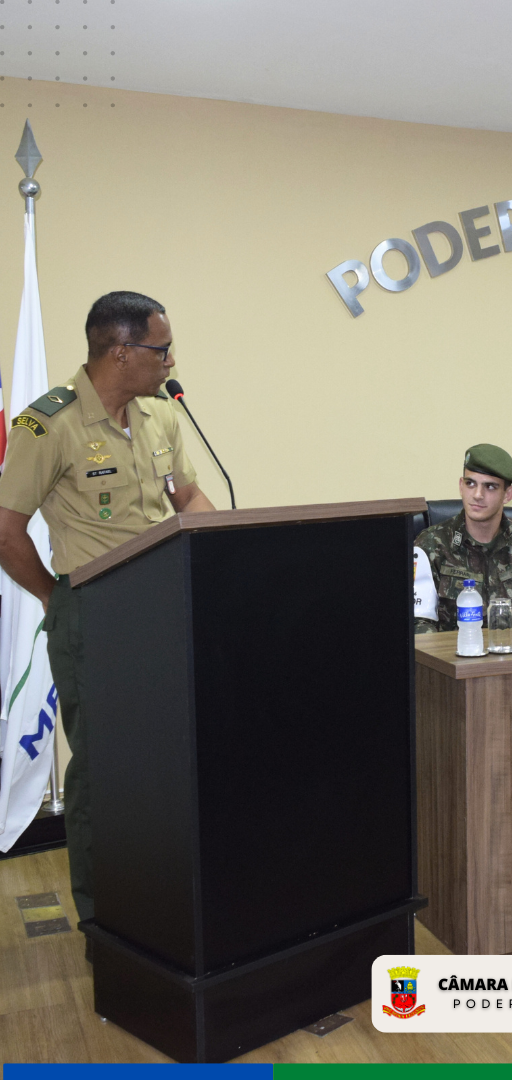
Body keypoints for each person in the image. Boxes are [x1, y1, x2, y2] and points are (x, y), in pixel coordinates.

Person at [0, 291, 215, 942]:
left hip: (166, 610)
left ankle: (171, 897)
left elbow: (188, 498)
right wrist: (56, 596)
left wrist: (225, 547)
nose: (170, 361)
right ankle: (106, 921)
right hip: (95, 617)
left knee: (172, 760)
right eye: (161, 349)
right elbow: (7, 530)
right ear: (120, 352)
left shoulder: (160, 415)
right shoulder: (49, 425)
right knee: (102, 772)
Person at [413, 443, 512, 633]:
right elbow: (418, 624)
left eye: (490, 486)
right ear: (461, 486)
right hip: (458, 650)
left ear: (508, 495)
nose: (477, 495)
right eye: (470, 484)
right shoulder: (431, 545)